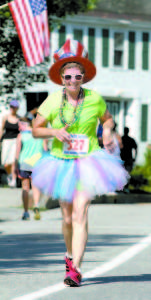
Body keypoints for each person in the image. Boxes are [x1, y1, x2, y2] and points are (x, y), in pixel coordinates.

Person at [32, 39, 129, 287]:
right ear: (61, 77)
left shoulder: (95, 99)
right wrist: (54, 133)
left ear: (84, 76)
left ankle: (75, 269)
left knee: (80, 212)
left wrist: (107, 131)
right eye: (68, 77)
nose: (73, 81)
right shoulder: (52, 101)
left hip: (90, 160)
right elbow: (35, 129)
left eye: (77, 76)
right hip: (60, 163)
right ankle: (69, 255)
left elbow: (108, 120)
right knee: (66, 218)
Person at [15, 112, 47, 220]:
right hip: (37, 163)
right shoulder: (41, 135)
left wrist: (15, 166)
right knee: (35, 187)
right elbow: (45, 150)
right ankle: (36, 206)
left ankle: (25, 212)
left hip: (24, 163)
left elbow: (17, 152)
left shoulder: (21, 135)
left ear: (25, 124)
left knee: (25, 188)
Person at [0, 99, 20, 187]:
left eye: (14, 107)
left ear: (17, 108)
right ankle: (9, 175)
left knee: (13, 161)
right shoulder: (5, 117)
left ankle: (13, 180)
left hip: (15, 141)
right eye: (11, 106)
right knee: (5, 162)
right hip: (6, 141)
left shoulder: (19, 119)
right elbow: (2, 129)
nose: (12, 108)